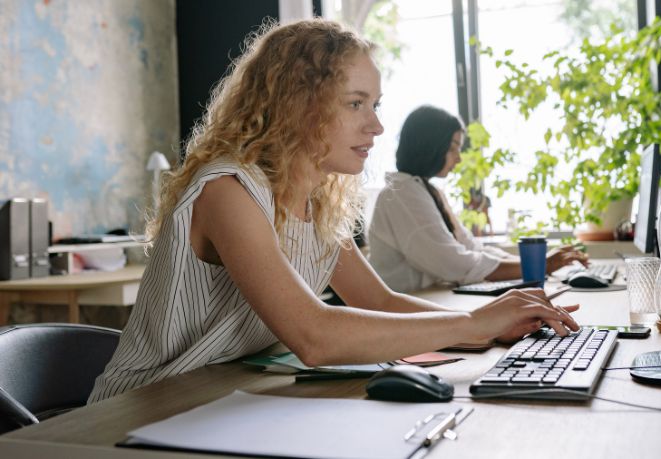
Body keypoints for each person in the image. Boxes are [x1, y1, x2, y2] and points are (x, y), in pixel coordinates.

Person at [88, 19, 579, 402]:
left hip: (221, 396)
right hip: (140, 407)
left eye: (376, 104)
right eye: (355, 104)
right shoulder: (228, 191)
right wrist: (472, 325)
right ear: (297, 104)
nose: (377, 126)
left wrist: (489, 323)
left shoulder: (318, 201)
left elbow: (381, 302)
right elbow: (314, 336)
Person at [368, 105, 588, 293]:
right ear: (430, 145)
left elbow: (472, 248)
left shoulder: (426, 191)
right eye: (453, 148)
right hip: (408, 309)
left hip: (430, 299)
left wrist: (539, 263)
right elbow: (456, 264)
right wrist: (542, 265)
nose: (458, 158)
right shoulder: (401, 194)